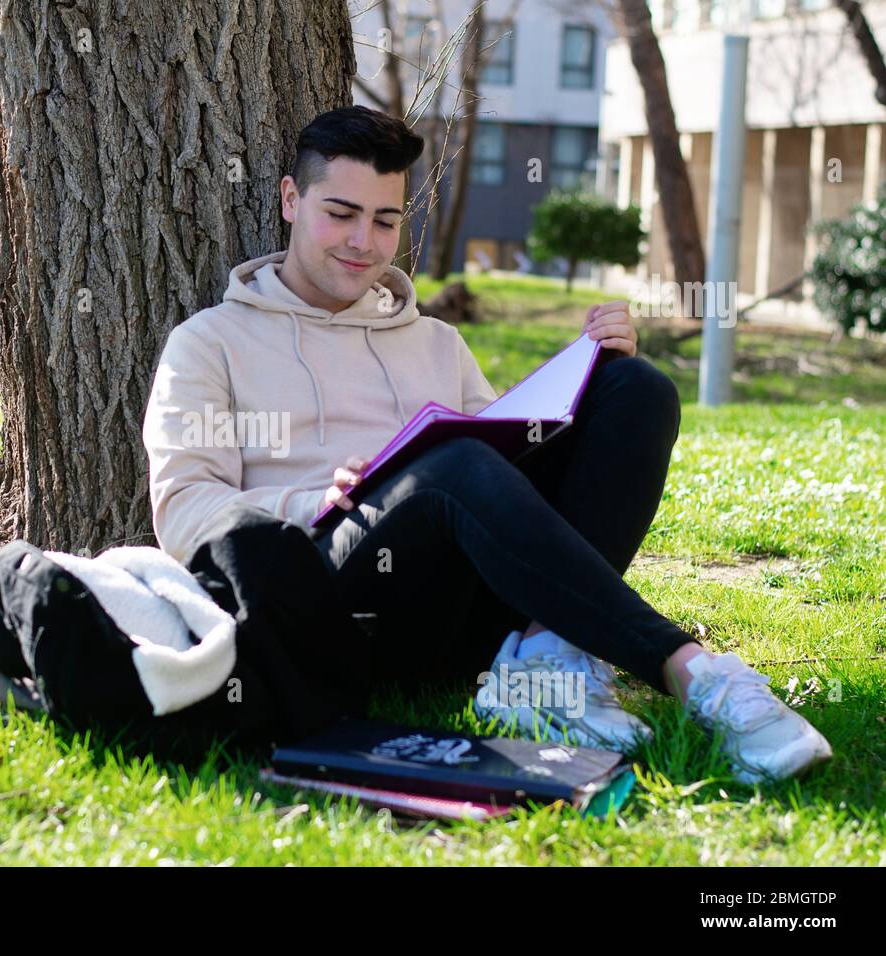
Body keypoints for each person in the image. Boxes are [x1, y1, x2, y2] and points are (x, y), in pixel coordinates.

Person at [141, 105, 832, 785]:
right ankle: (691, 672)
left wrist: (587, 378)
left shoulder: (435, 341)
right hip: (333, 605)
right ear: (292, 200)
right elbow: (184, 511)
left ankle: (543, 657)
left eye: (385, 220)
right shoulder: (210, 343)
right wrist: (311, 499)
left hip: (462, 614)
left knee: (636, 387)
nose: (363, 241)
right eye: (341, 213)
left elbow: (505, 473)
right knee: (450, 468)